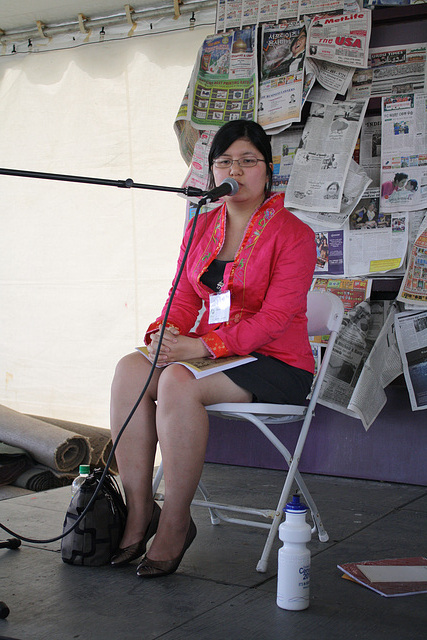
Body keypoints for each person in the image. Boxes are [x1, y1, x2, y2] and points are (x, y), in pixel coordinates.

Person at [109, 119, 317, 578]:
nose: (235, 170)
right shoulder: (202, 226)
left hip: (277, 363)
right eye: (224, 161)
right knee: (130, 369)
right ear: (211, 170)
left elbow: (274, 320)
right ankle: (140, 512)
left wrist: (200, 345)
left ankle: (178, 525)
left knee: (179, 382)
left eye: (248, 161)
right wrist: (164, 335)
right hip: (219, 355)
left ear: (268, 170)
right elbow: (182, 298)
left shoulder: (295, 234)